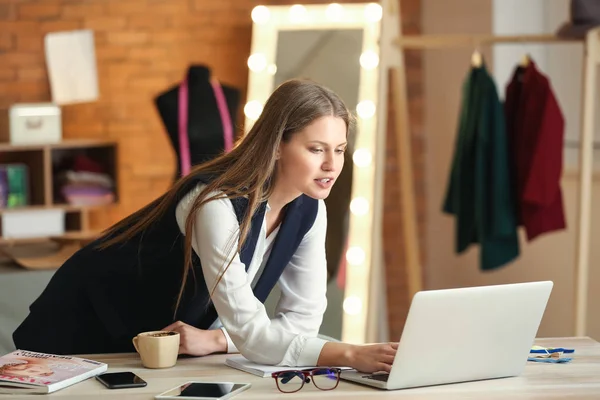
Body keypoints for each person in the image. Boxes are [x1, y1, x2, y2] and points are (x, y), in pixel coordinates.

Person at [13, 79, 397, 373]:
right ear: (277, 145)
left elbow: (302, 321)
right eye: (317, 149)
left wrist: (216, 339)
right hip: (81, 325)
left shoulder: (310, 208)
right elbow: (253, 333)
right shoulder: (213, 203)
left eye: (340, 150)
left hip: (156, 349)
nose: (332, 164)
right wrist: (350, 353)